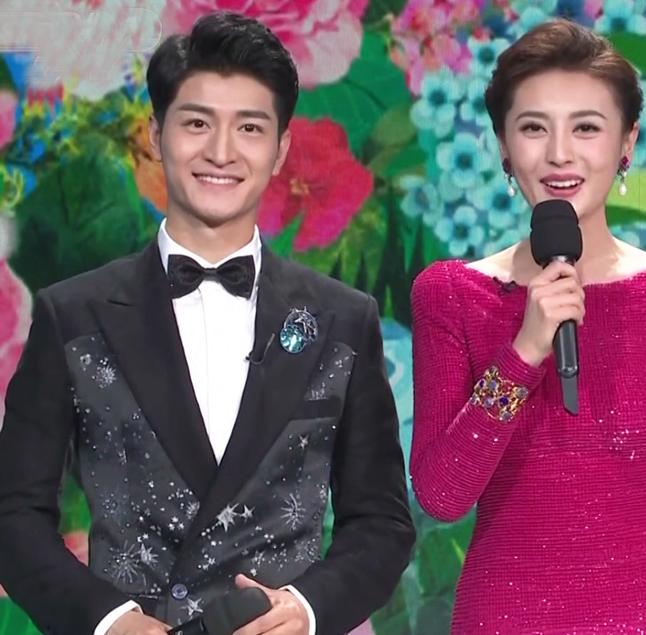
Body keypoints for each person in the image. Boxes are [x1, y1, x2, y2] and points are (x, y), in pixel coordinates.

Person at [0, 12, 414, 635]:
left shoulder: (342, 320)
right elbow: (13, 516)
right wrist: (108, 621)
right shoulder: (72, 316)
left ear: (280, 150)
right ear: (155, 133)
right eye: (197, 123)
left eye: (249, 128)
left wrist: (304, 610)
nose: (221, 151)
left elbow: (381, 523)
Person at [409, 18, 646, 634]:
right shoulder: (450, 294)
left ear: (627, 142)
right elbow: (441, 495)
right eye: (533, 128)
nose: (560, 153)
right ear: (504, 146)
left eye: (587, 128)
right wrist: (523, 353)